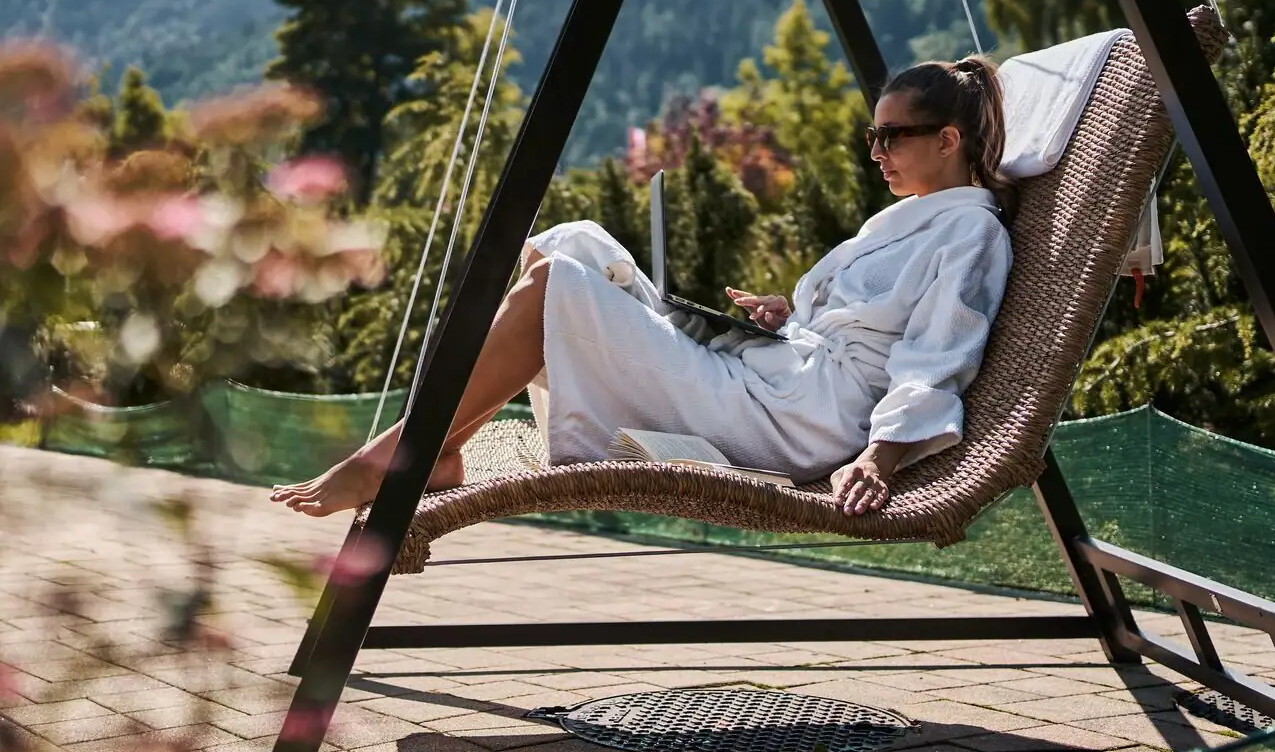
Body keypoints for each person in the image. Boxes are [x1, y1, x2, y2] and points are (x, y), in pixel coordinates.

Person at [272, 56, 1015, 520]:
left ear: (948, 140)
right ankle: (441, 445)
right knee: (573, 241)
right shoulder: (908, 217)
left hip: (805, 421)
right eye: (872, 137)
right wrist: (786, 314)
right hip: (780, 375)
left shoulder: (970, 233)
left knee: (557, 285)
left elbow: (934, 357)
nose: (877, 151)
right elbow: (868, 317)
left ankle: (398, 455)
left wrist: (878, 458)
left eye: (894, 137)